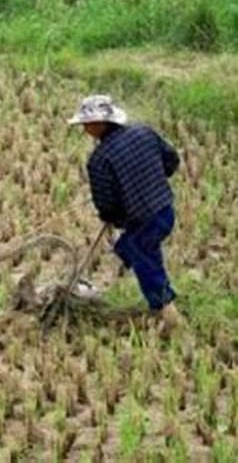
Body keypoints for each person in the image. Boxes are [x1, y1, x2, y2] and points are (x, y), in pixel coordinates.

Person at [68, 94, 183, 330]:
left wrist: (114, 218)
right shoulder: (144, 132)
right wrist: (154, 182)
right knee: (134, 250)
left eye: (87, 125)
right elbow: (171, 160)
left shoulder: (99, 160)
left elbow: (107, 206)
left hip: (142, 221)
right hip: (165, 211)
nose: (85, 130)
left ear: (101, 123)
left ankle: (165, 309)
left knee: (139, 253)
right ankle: (147, 291)